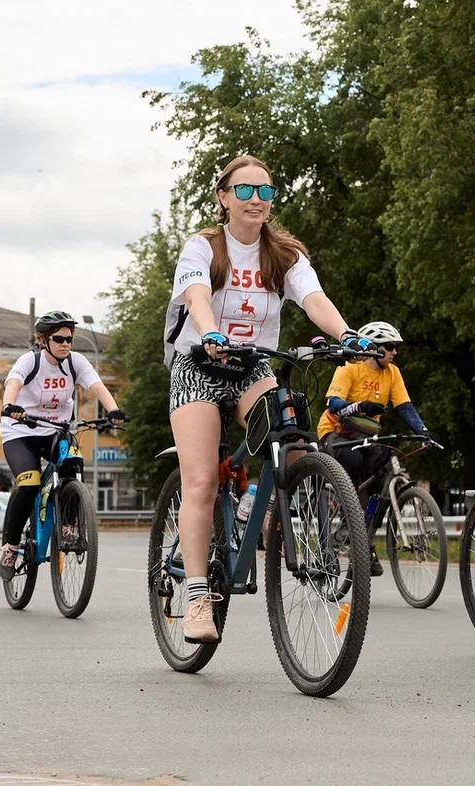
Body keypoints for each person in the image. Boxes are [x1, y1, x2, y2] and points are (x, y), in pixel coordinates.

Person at [163, 153, 374, 644]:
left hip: (252, 365)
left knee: (291, 436)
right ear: (223, 197)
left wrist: (349, 334)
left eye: (265, 191)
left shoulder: (284, 255)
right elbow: (195, 296)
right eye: (245, 190)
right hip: (199, 362)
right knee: (199, 482)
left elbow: (313, 298)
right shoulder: (203, 247)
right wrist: (211, 332)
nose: (256, 199)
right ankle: (196, 596)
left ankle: (262, 506)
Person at [0, 311, 125, 580]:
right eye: (59, 339)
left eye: (70, 339)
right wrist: (9, 406)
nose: (66, 344)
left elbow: (97, 386)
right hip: (21, 431)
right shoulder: (29, 361)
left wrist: (113, 410)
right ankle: (10, 546)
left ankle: (69, 525)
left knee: (73, 461)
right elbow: (13, 383)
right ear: (44, 340)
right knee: (29, 483)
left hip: (56, 430)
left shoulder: (75, 362)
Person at [316, 320, 432, 576]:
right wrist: (360, 406)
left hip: (367, 435)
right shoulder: (349, 368)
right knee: (356, 466)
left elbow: (404, 407)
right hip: (337, 433)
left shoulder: (393, 372)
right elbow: (333, 404)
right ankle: (348, 530)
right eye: (390, 347)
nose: (394, 352)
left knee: (384, 482)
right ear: (376, 349)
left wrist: (422, 431)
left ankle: (363, 537)